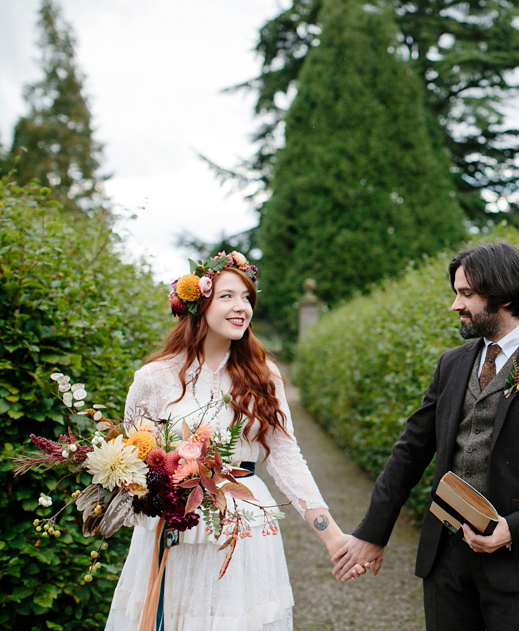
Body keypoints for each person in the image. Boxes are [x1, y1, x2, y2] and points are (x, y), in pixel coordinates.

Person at [332, 241, 519, 630]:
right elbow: (410, 452)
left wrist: (513, 528)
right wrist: (374, 533)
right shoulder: (452, 364)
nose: (456, 305)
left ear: (503, 294)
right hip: (446, 560)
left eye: (466, 294)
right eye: (457, 293)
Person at [105, 252, 360, 631]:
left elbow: (287, 458)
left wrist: (333, 536)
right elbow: (132, 463)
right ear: (199, 304)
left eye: (246, 298)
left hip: (244, 525)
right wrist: (165, 491)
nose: (241, 307)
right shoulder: (153, 378)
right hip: (177, 530)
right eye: (227, 296)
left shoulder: (263, 376)